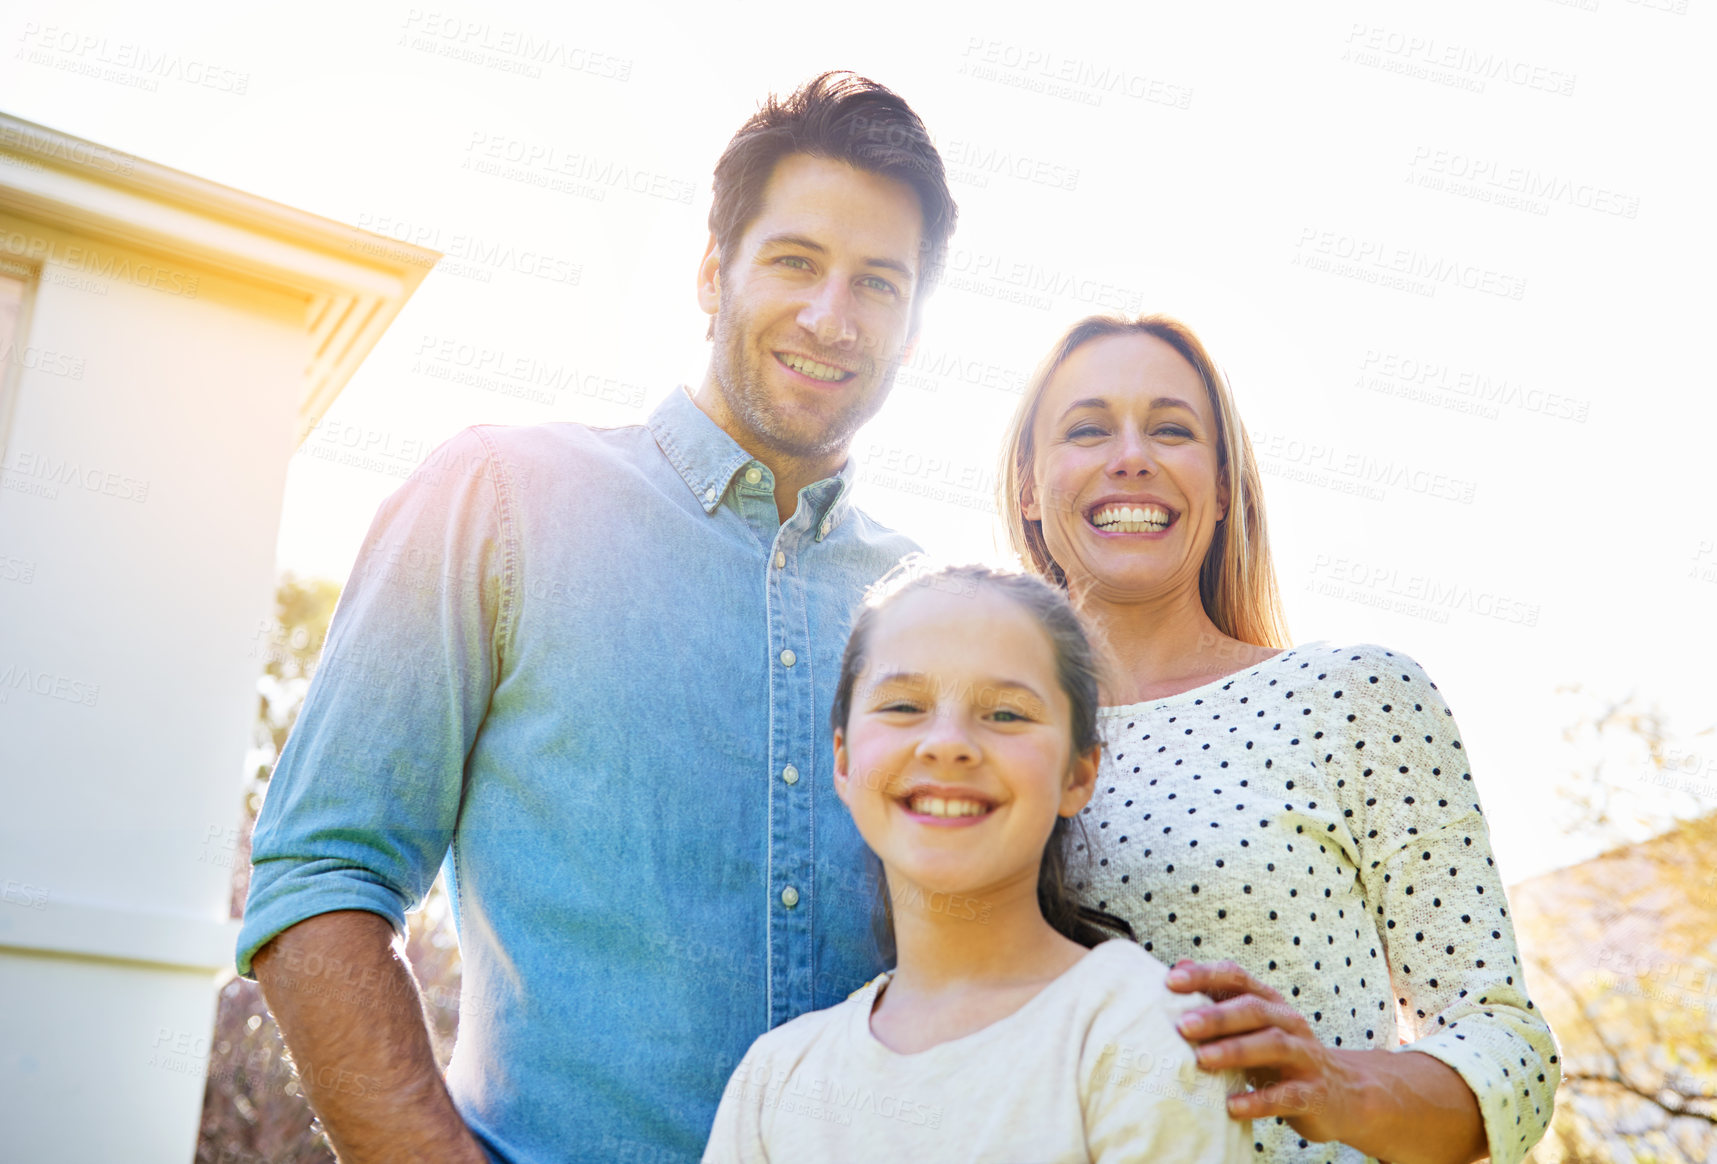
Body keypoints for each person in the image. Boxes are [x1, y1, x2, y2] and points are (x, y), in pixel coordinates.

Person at [236, 73, 957, 1164]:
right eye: (795, 262)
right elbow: (321, 876)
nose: (830, 317)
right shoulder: (500, 497)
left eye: (879, 284)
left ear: (913, 330)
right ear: (713, 275)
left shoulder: (938, 608)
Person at [997, 314, 1560, 1164]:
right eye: (1085, 429)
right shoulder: (972, 746)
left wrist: (1338, 1086)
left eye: (1172, 429)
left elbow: (1505, 1048)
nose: (1130, 456)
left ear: (1222, 488)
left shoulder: (1353, 694)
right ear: (1029, 487)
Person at [703, 562, 1250, 1162]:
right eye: (904, 705)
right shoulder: (776, 1079)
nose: (948, 742)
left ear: (1078, 772)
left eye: (1007, 714)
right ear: (842, 759)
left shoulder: (1138, 1030)